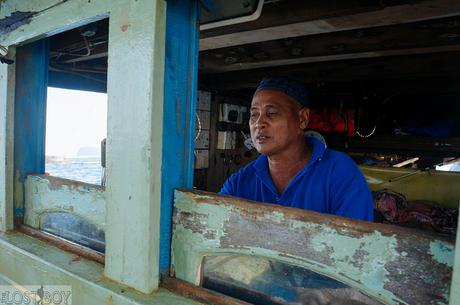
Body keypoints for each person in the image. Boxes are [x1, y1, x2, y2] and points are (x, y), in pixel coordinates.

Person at [219, 76, 373, 221]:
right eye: (254, 115)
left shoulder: (340, 173)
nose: (259, 123)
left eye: (271, 113)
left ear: (302, 119)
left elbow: (354, 245)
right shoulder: (239, 183)